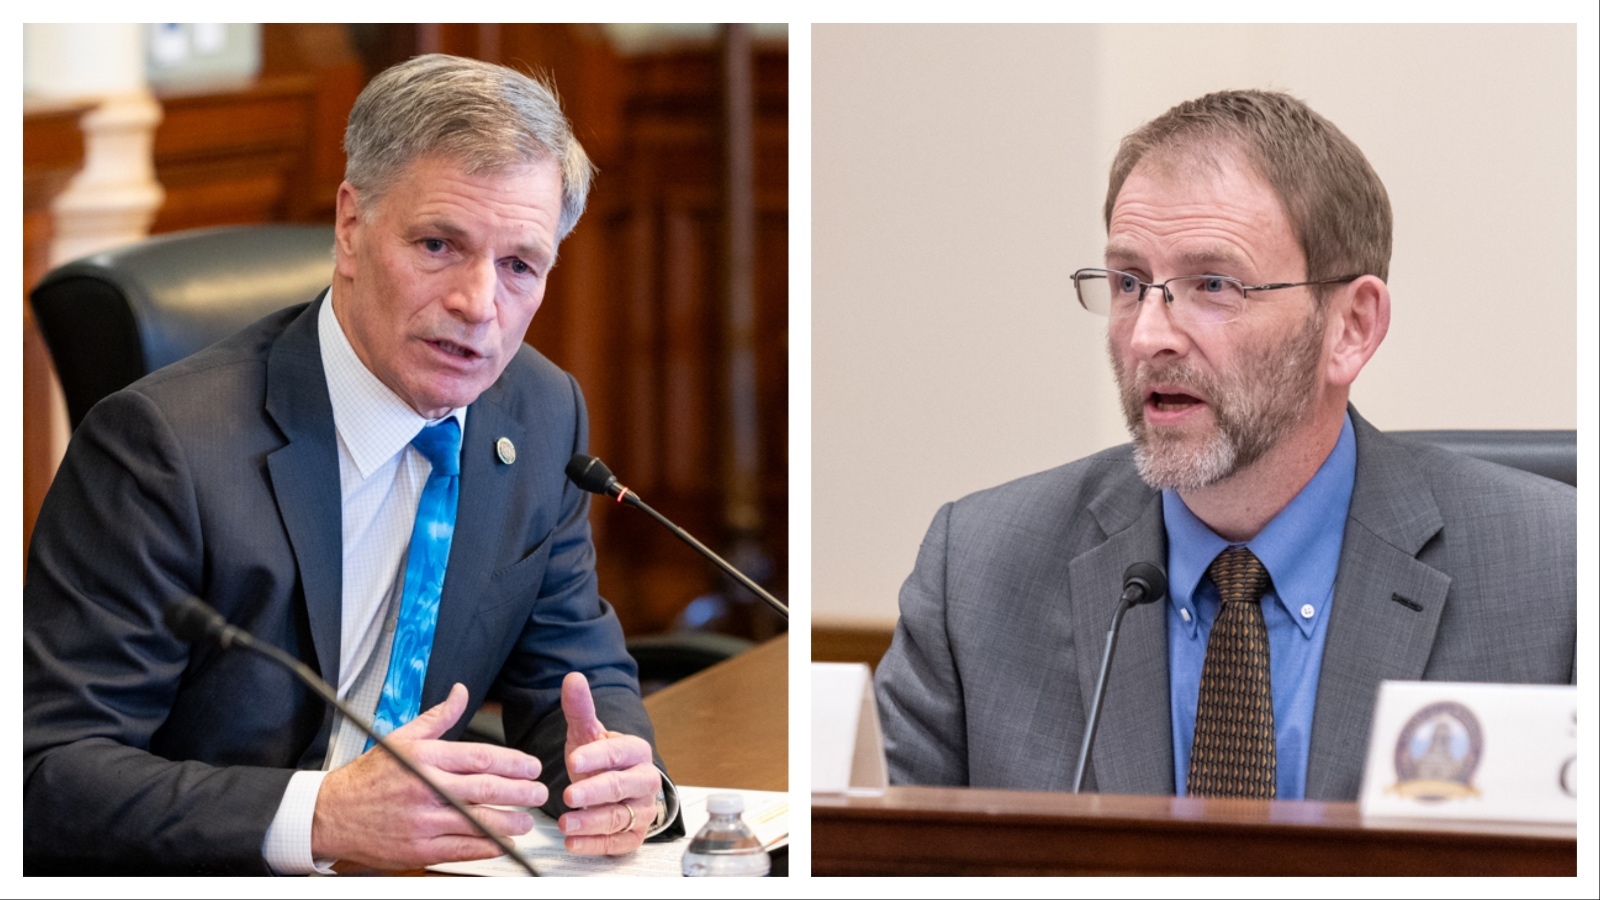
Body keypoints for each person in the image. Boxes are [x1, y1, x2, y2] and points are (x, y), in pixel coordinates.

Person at [24, 54, 682, 875]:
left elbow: (571, 669)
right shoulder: (161, 450)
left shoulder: (538, 414)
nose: (480, 305)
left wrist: (617, 773)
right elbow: (46, 772)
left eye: (520, 265)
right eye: (439, 244)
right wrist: (321, 816)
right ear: (350, 227)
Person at [874, 89, 1575, 801]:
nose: (1149, 335)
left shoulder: (1558, 575)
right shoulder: (978, 575)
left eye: (1213, 284)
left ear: (1352, 327)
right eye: (1128, 282)